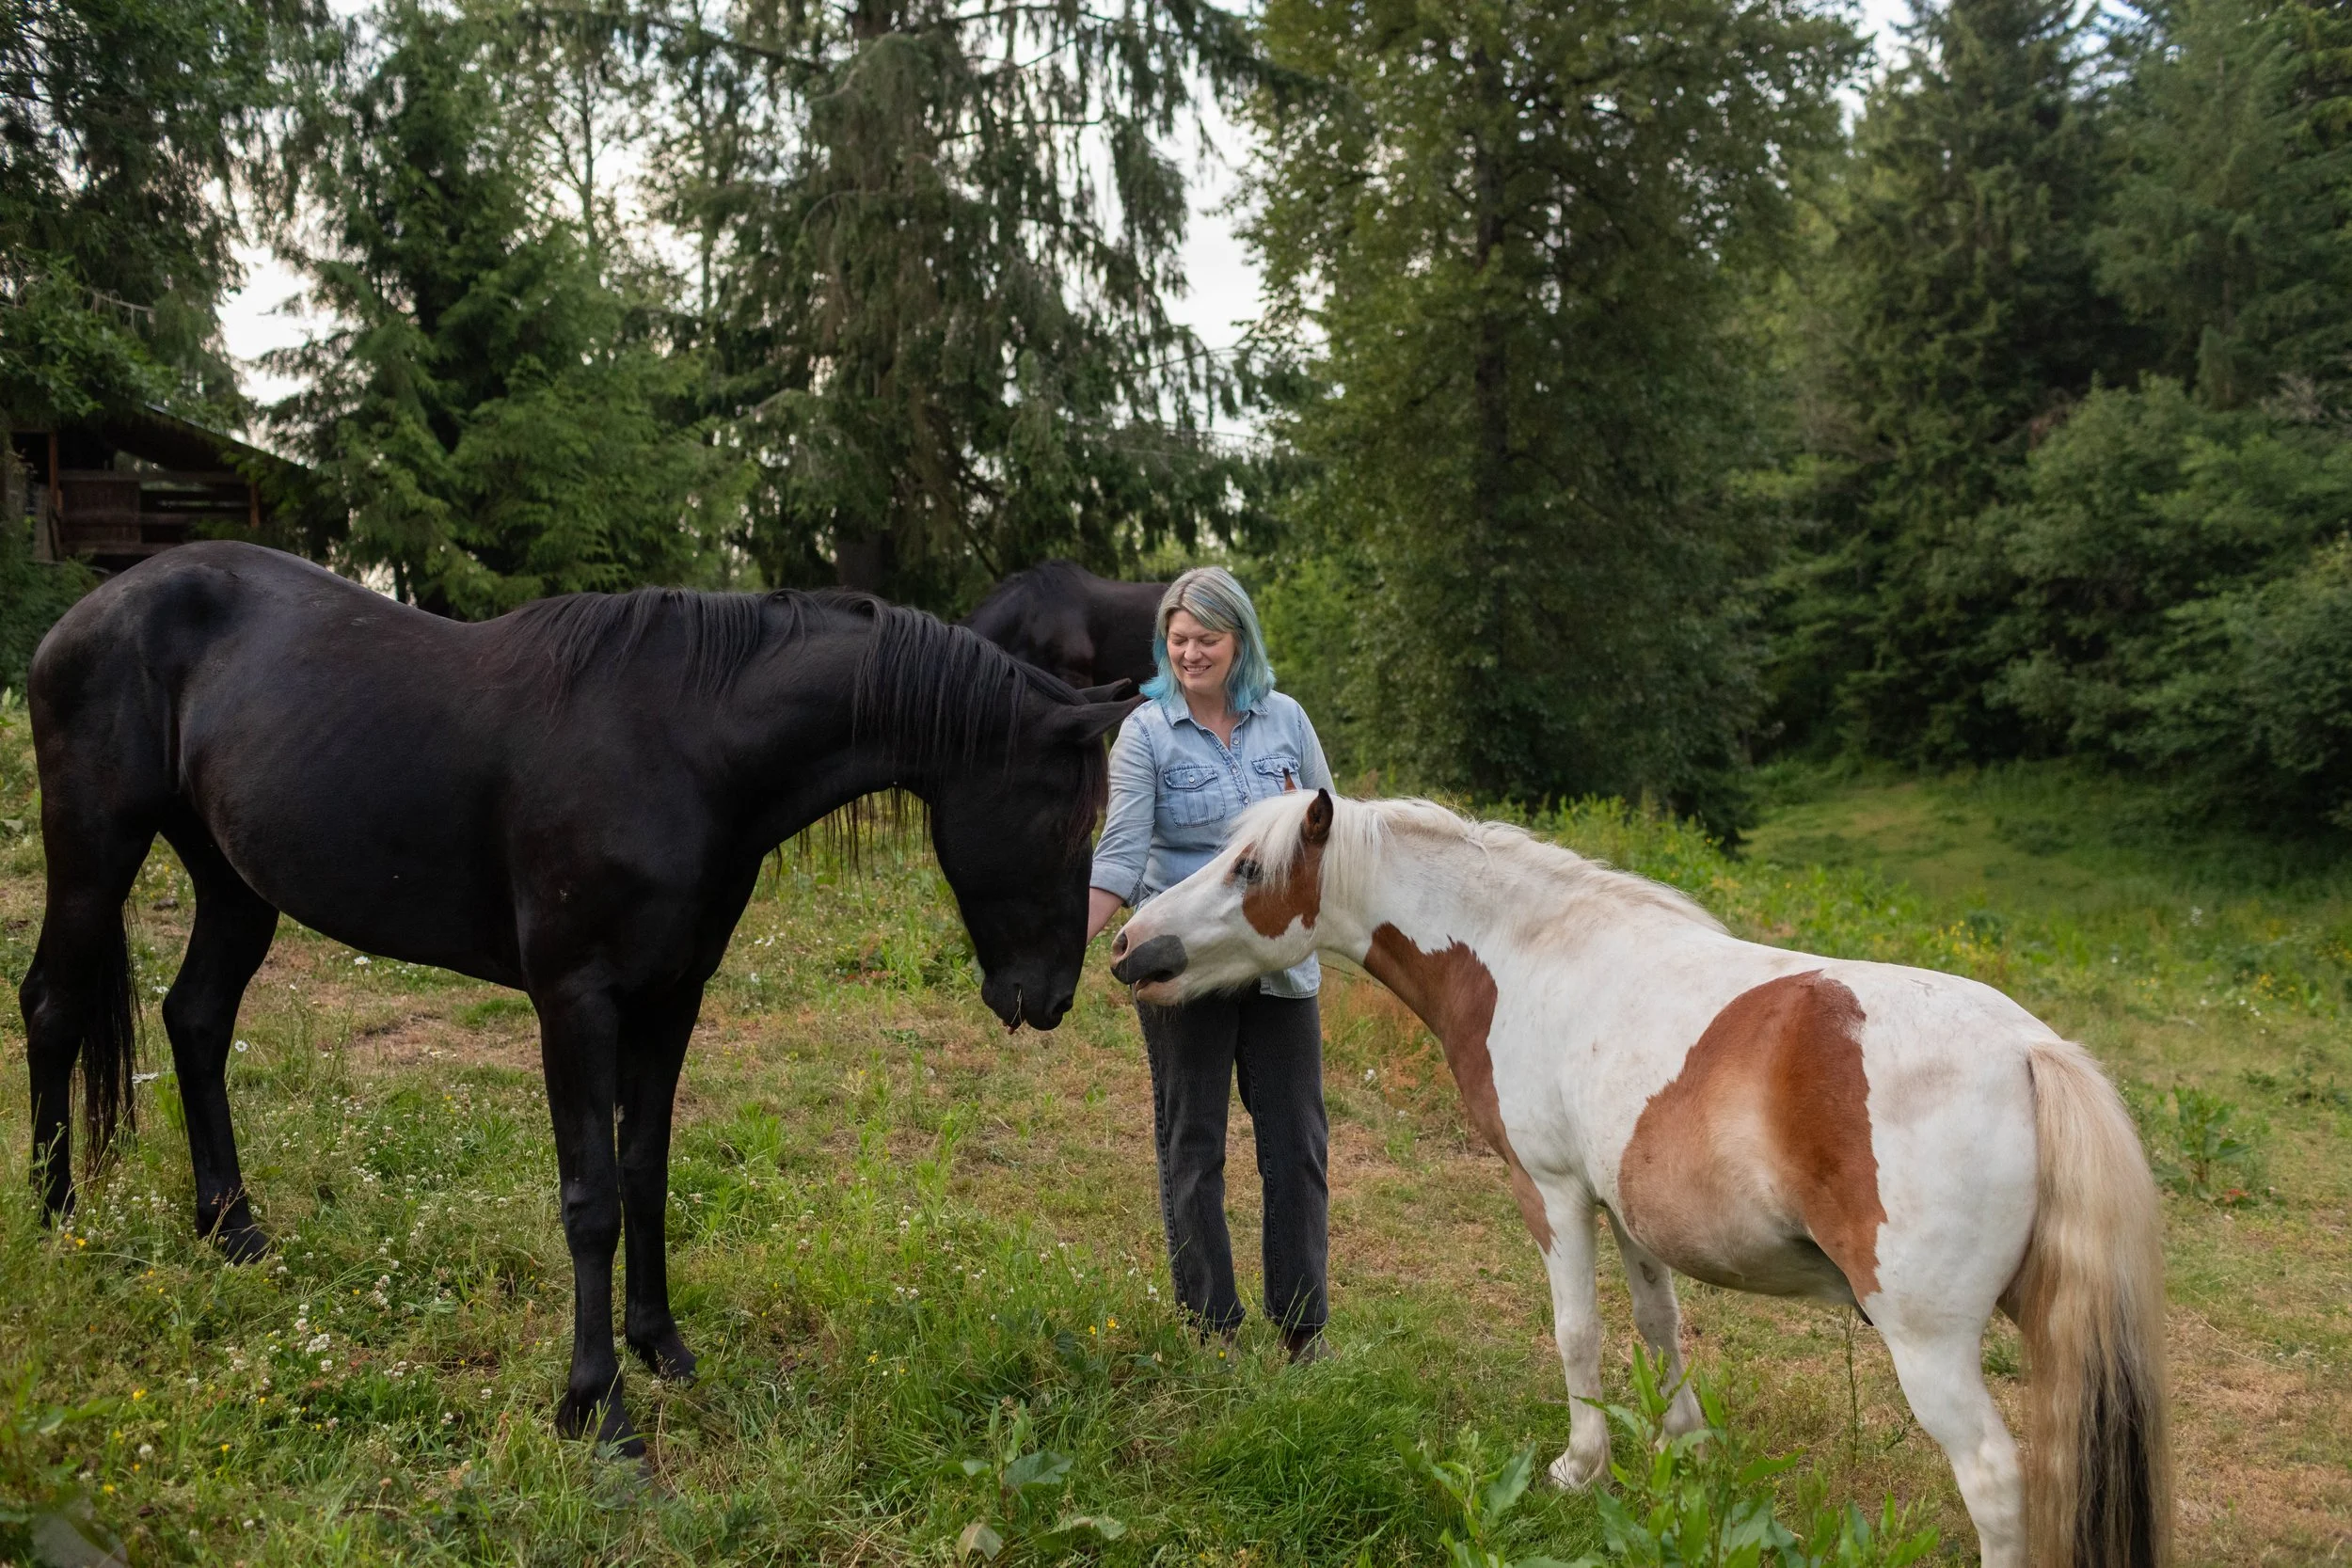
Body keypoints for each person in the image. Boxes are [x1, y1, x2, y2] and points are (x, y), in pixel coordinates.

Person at [1086, 566, 1335, 1362]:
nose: (1189, 652)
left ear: (1240, 641)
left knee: (1296, 1142)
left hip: (1277, 966)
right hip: (1186, 964)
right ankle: (1213, 1328)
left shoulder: (1287, 721)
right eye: (1178, 639)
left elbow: (1331, 831)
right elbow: (1121, 857)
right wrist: (1072, 939)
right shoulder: (1146, 732)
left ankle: (1302, 1329)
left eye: (1206, 639)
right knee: (1193, 1143)